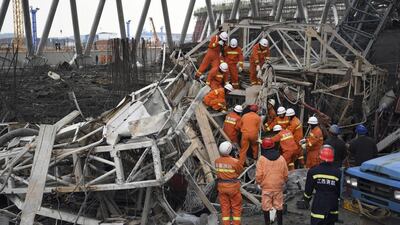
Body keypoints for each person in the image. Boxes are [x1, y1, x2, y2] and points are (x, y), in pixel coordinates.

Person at [303, 145, 341, 225]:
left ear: (320, 157)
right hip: (332, 204)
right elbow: (338, 191)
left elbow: (308, 190)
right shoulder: (337, 172)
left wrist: (306, 200)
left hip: (319, 203)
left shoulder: (313, 171)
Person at [256, 138, 288, 225]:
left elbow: (259, 174)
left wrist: (258, 183)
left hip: (266, 187)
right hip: (278, 186)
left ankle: (267, 223)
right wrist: (284, 181)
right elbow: (285, 173)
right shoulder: (281, 158)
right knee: (279, 206)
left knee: (266, 207)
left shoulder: (262, 159)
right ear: (273, 146)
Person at [215, 141, 243, 225]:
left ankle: (226, 223)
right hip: (233, 187)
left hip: (221, 187)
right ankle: (236, 223)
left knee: (225, 207)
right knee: (236, 207)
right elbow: (239, 171)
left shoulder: (217, 161)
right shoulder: (235, 162)